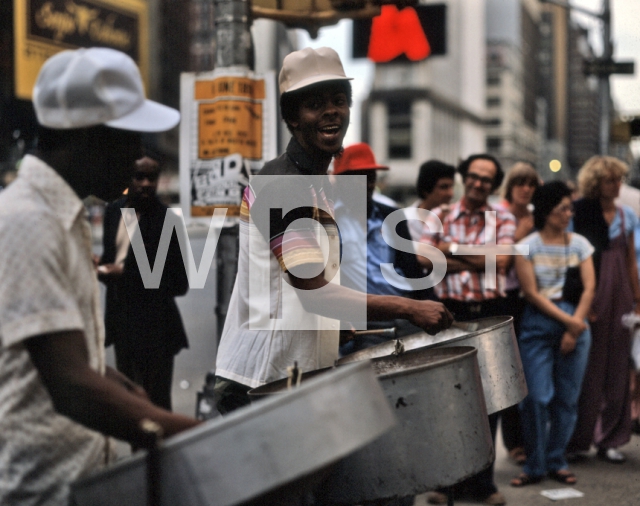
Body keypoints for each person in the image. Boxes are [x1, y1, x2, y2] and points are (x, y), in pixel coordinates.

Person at [0, 48, 200, 505]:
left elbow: (56, 353)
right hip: (47, 491)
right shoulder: (28, 219)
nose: (136, 159)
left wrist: (114, 381)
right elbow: (69, 382)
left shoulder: (62, 217)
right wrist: (205, 436)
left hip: (85, 482)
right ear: (90, 136)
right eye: (130, 138)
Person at [213, 47, 453, 415]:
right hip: (262, 381)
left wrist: (333, 326)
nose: (331, 111)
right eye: (315, 104)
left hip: (296, 375)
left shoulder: (317, 184)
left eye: (339, 100)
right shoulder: (281, 184)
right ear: (293, 117)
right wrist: (408, 307)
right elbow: (315, 293)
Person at [420, 153, 515, 506]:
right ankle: (447, 484)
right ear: (464, 177)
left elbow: (502, 260)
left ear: (494, 184)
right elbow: (424, 258)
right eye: (473, 176)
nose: (478, 183)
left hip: (490, 312)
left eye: (486, 179)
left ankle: (484, 483)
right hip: (450, 313)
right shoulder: (441, 214)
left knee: (490, 397)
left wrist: (450, 251)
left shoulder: (502, 216)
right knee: (450, 397)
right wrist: (479, 257)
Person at [510, 181, 595, 487]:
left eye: (570, 207)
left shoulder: (579, 244)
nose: (569, 213)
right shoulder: (527, 246)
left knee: (567, 398)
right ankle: (535, 464)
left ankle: (556, 459)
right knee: (535, 397)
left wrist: (576, 324)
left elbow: (589, 287)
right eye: (563, 207)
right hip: (539, 323)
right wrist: (570, 323)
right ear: (547, 210)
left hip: (576, 319)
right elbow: (531, 294)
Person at [99, 153, 189, 411]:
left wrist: (124, 276)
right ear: (129, 179)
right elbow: (110, 259)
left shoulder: (168, 220)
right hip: (121, 325)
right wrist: (99, 267)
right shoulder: (113, 212)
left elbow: (179, 284)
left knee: (157, 406)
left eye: (152, 177)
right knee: (128, 407)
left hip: (156, 330)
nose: (146, 183)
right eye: (140, 177)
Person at [567, 156, 640, 463]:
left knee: (619, 367)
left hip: (620, 292)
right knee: (587, 368)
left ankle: (610, 438)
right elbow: (570, 257)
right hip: (591, 289)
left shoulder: (626, 215)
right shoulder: (580, 212)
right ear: (597, 182)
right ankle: (579, 437)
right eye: (610, 180)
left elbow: (629, 261)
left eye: (618, 179)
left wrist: (637, 300)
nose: (616, 185)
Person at [332, 143, 427, 353]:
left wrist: (427, 306)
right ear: (339, 181)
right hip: (365, 324)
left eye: (370, 177)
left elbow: (412, 270)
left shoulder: (392, 216)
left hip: (407, 314)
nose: (365, 184)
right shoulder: (329, 220)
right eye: (357, 177)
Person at [495, 161, 540, 465]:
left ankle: (529, 437)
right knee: (507, 371)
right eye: (520, 182)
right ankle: (513, 442)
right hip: (504, 296)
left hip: (532, 298)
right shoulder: (499, 213)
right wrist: (519, 234)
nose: (525, 188)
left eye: (531, 183)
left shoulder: (538, 216)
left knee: (527, 371)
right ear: (510, 186)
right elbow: (497, 264)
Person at [407, 159, 456, 242]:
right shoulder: (405, 221)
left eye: (451, 187)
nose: (450, 194)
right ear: (426, 189)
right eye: (444, 187)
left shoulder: (457, 219)